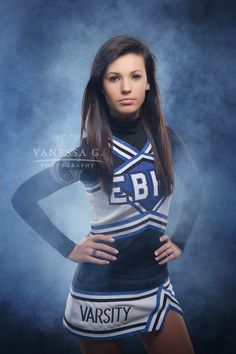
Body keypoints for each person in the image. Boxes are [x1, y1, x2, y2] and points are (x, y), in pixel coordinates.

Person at [11, 34, 202, 354]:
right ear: (101, 86)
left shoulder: (167, 139)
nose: (126, 88)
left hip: (154, 288)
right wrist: (68, 248)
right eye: (114, 78)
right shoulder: (89, 153)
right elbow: (23, 197)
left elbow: (197, 190)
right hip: (99, 295)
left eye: (135, 76)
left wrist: (180, 240)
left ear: (148, 84)